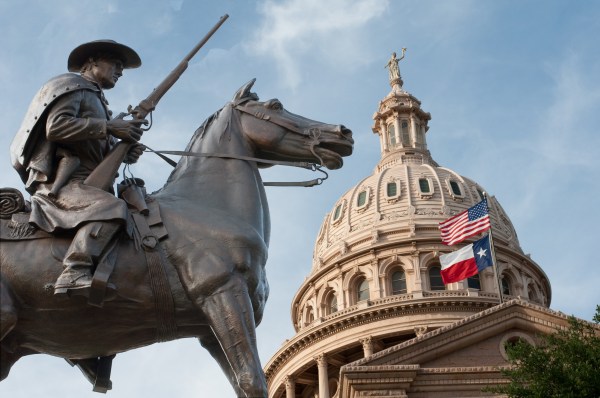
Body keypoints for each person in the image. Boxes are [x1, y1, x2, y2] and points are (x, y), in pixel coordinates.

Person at [10, 40, 147, 296]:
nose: (120, 72)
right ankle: (74, 271)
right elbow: (56, 127)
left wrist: (125, 150)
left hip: (90, 183)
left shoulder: (98, 102)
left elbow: (96, 151)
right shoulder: (74, 87)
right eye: (116, 64)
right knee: (112, 207)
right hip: (64, 185)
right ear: (93, 61)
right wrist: (109, 127)